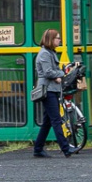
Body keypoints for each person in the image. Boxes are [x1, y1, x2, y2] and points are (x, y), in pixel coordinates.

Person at [31, 29, 76, 157]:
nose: (59, 40)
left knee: (48, 121)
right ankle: (66, 148)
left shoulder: (50, 52)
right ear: (50, 39)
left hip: (52, 89)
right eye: (57, 38)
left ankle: (38, 149)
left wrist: (57, 75)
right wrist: (60, 74)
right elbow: (48, 72)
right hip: (48, 90)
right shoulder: (45, 54)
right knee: (56, 119)